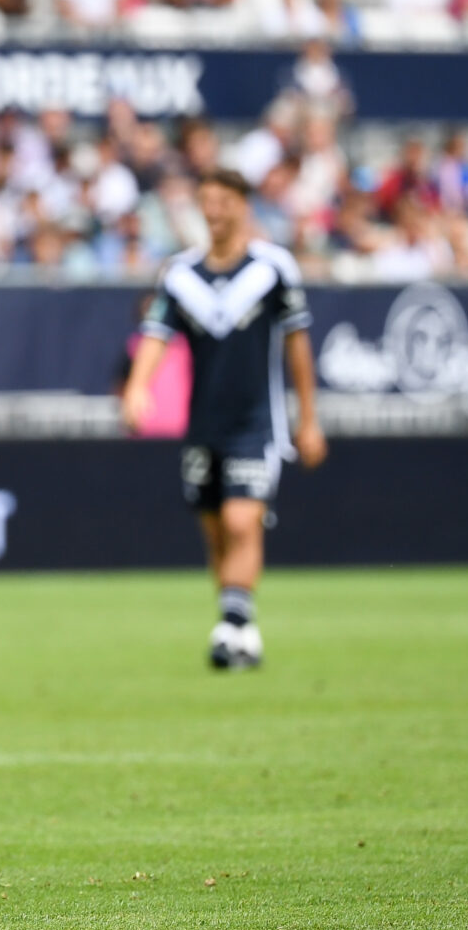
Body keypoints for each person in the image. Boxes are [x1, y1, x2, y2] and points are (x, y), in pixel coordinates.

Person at [122, 169, 326, 670]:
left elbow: (298, 344)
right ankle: (242, 628)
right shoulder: (180, 274)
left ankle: (230, 629)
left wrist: (309, 417)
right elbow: (156, 333)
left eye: (222, 200)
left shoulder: (273, 268)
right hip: (204, 424)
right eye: (205, 200)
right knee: (215, 529)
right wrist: (136, 387)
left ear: (243, 204)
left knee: (241, 520)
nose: (212, 210)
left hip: (257, 422)